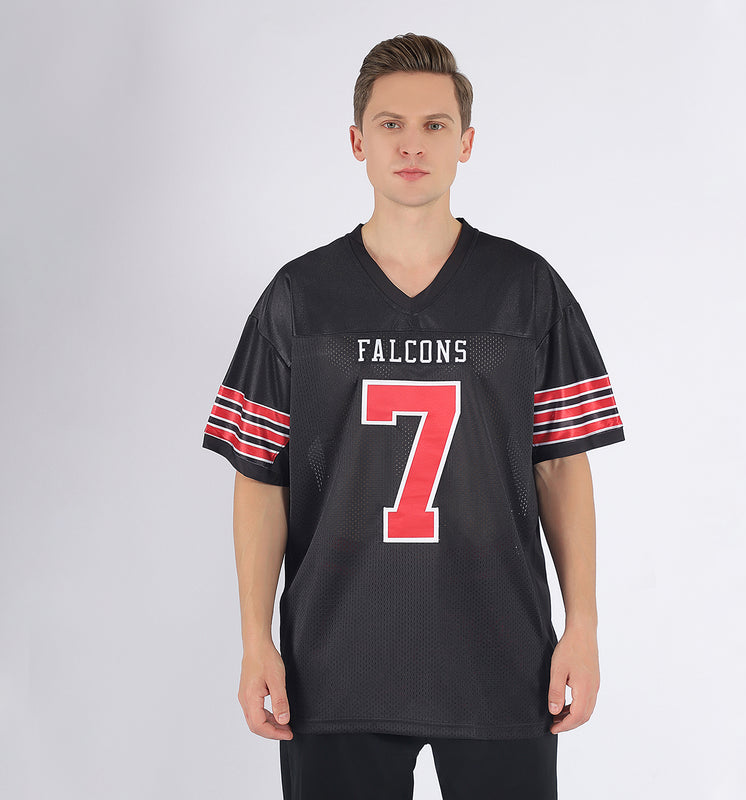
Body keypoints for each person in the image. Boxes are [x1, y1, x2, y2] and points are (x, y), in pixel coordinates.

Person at [202, 32, 624, 800]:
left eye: (434, 124)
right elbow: (261, 477)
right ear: (357, 141)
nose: (412, 144)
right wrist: (255, 640)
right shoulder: (300, 297)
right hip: (336, 660)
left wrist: (583, 627)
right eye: (390, 123)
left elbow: (562, 464)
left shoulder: (526, 289)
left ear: (466, 143)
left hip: (501, 654)